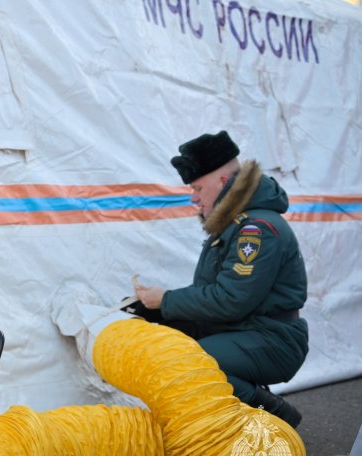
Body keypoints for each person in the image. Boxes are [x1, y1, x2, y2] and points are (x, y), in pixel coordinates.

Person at [129, 130, 308, 428]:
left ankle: (272, 414)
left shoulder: (256, 229)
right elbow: (213, 293)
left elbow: (231, 300)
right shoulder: (235, 226)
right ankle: (231, 421)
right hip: (248, 330)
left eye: (198, 188)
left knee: (190, 363)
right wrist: (159, 310)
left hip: (274, 339)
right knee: (174, 345)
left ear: (223, 181)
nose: (193, 198)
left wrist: (166, 300)